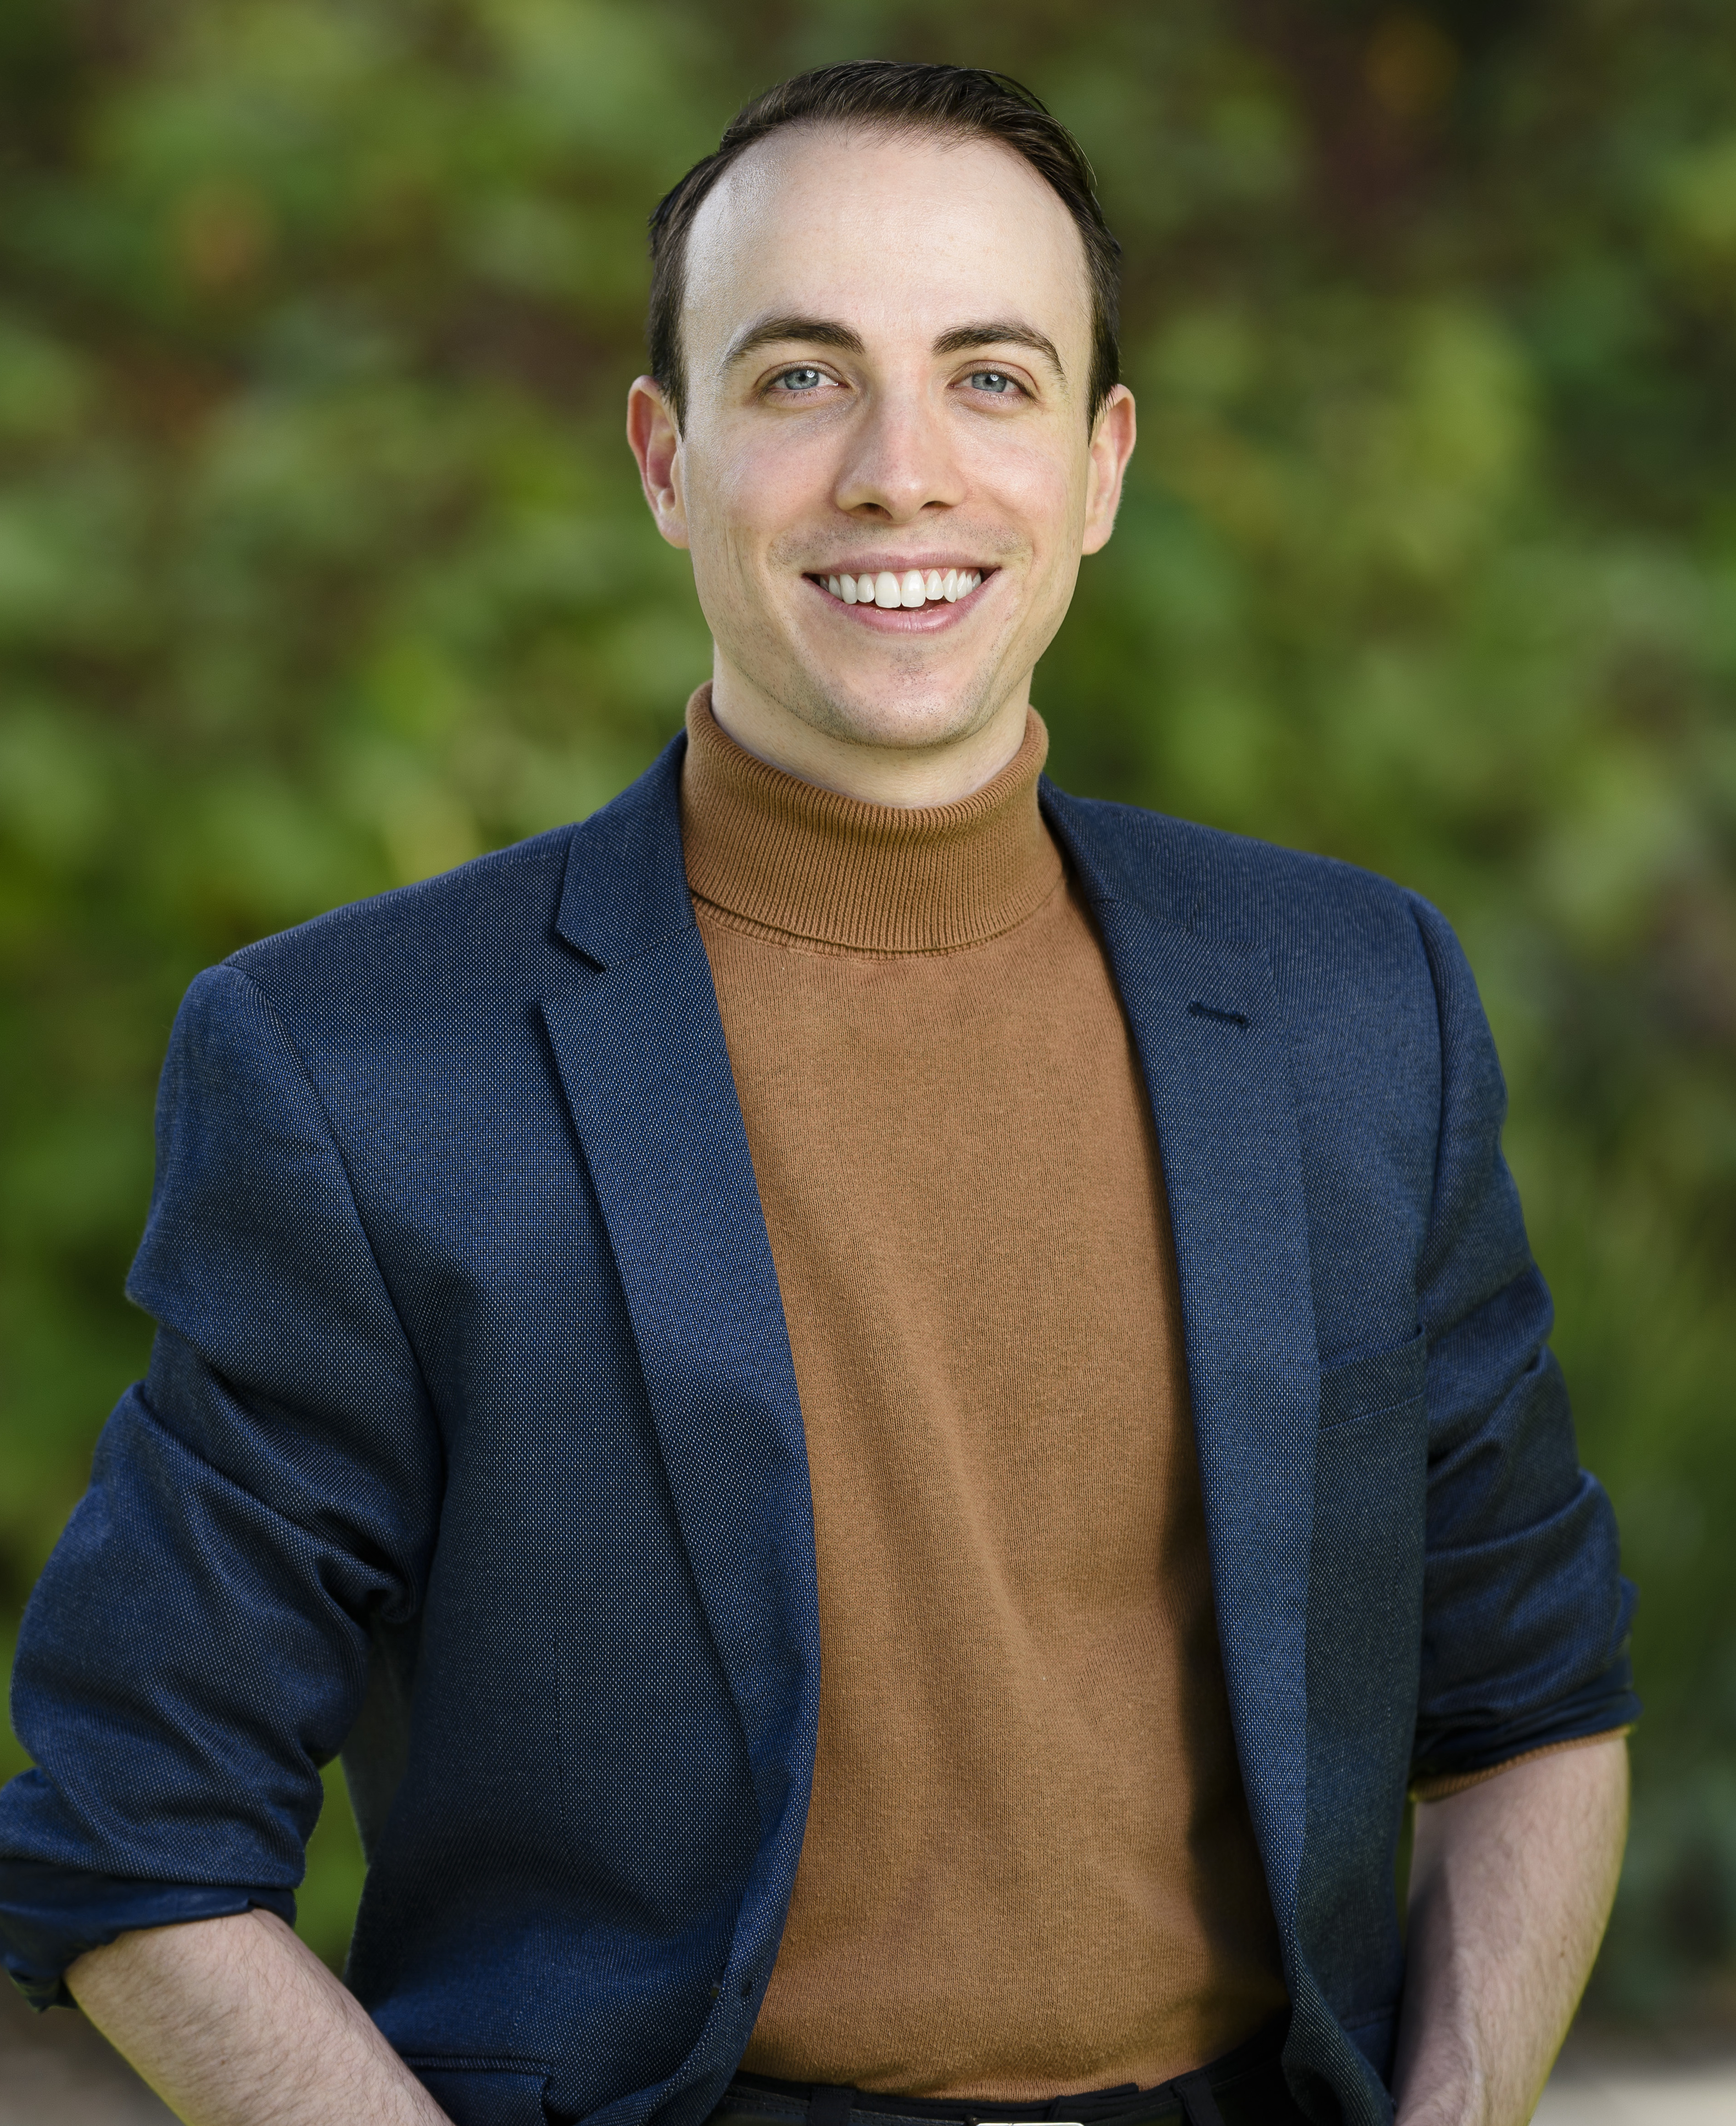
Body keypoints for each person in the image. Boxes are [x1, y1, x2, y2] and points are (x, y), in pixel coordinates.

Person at [0, 60, 1636, 2126]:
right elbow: (136, 1824)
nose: (898, 471)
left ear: (1101, 462)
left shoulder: (1349, 1005)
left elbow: (1532, 1703)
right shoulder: (358, 1068)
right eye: (799, 379)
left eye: (989, 378)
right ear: (665, 457)